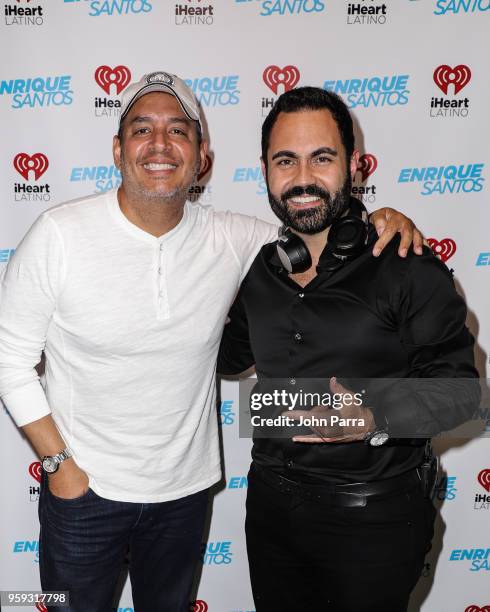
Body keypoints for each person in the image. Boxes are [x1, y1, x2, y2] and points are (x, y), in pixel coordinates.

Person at [0, 72, 421, 612]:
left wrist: (378, 217)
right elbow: (9, 359)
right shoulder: (58, 234)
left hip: (185, 495)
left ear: (202, 158)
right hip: (83, 495)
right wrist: (60, 468)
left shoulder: (236, 238)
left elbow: (317, 226)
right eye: (141, 129)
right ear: (117, 148)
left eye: (179, 130)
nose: (159, 144)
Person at [217, 86, 480, 612]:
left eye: (323, 158)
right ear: (264, 168)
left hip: (373, 521)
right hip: (270, 509)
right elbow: (225, 358)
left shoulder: (407, 265)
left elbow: (462, 394)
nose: (303, 179)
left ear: (355, 166)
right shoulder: (259, 271)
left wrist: (376, 412)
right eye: (285, 160)